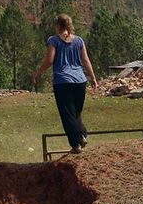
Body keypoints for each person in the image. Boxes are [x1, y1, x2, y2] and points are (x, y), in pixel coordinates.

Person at [32, 14, 98, 154]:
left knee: (67, 114)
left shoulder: (53, 40)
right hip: (80, 80)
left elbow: (50, 60)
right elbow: (86, 60)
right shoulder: (79, 40)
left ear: (58, 25)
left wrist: (38, 73)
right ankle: (82, 135)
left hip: (63, 81)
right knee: (76, 113)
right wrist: (93, 77)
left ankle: (77, 142)